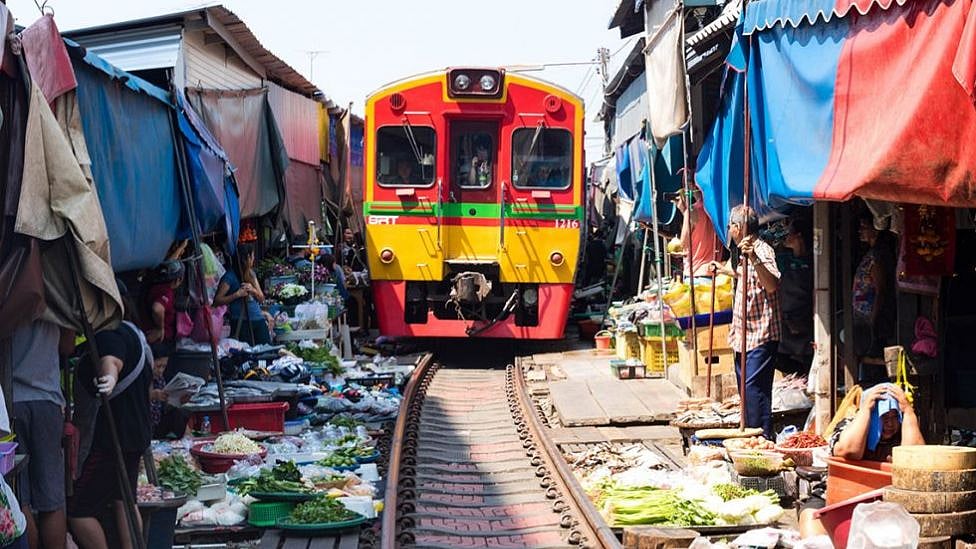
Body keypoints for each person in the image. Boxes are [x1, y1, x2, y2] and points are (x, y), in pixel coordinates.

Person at [798, 383, 925, 538]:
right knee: (810, 519)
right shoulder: (849, 425)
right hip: (838, 498)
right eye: (883, 417)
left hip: (885, 505)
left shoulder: (904, 432)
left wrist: (908, 411)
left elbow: (915, 458)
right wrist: (866, 410)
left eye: (894, 417)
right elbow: (850, 451)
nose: (890, 424)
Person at [68, 321, 153, 549]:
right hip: (135, 435)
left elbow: (112, 360)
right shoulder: (133, 331)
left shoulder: (108, 334)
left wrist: (110, 378)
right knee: (125, 500)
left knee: (78, 511)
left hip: (110, 440)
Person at [710, 205, 781, 439]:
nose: (729, 229)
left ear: (739, 227)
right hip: (742, 334)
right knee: (744, 389)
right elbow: (744, 275)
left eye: (730, 225)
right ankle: (750, 434)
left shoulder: (762, 250)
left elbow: (771, 284)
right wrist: (722, 269)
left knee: (754, 390)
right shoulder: (742, 251)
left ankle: (761, 437)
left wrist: (754, 257)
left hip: (760, 333)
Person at [10, 320, 71, 549]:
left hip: (11, 399)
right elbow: (67, 346)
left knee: (19, 495)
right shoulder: (56, 294)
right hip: (47, 400)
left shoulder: (7, 288)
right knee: (51, 500)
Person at [852, 212, 896, 385]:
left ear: (876, 230)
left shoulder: (878, 256)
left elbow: (880, 290)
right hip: (864, 319)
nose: (860, 231)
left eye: (864, 227)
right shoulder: (871, 253)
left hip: (873, 320)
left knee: (874, 358)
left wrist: (873, 319)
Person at [777, 217, 814, 376]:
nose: (786, 236)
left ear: (799, 236)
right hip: (786, 319)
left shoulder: (814, 262)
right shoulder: (784, 260)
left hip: (805, 319)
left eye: (789, 233)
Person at [213, 244, 271, 346]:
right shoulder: (229, 277)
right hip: (241, 322)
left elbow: (261, 298)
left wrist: (253, 290)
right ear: (247, 258)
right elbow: (217, 301)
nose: (253, 259)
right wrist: (237, 294)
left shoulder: (251, 274)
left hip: (258, 319)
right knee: (245, 354)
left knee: (266, 350)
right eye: (252, 256)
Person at [675, 187, 720, 278]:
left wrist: (684, 211)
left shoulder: (691, 211)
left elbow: (683, 244)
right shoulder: (716, 208)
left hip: (696, 272)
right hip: (715, 271)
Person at [145, 260, 184, 357]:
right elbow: (157, 308)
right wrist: (160, 328)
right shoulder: (167, 292)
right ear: (178, 279)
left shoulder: (154, 287)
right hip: (160, 340)